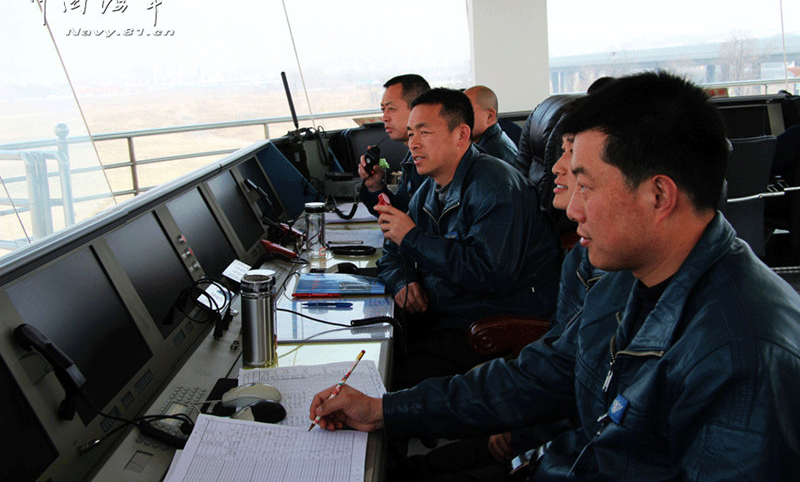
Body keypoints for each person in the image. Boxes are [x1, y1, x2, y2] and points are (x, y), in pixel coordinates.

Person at [310, 72, 800, 480]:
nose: (572, 208)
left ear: (659, 196)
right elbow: (543, 374)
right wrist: (385, 410)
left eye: (585, 184)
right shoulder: (627, 276)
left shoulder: (744, 354)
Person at [374, 87, 560, 390]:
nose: (414, 144)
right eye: (410, 134)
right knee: (379, 350)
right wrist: (401, 282)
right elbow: (392, 253)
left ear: (461, 135)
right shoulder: (428, 189)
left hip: (487, 321)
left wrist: (414, 238)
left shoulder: (495, 186)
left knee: (389, 382)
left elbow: (491, 274)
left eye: (425, 132)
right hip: (447, 310)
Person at [359, 74, 430, 215]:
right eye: (383, 110)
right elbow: (402, 212)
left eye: (391, 109)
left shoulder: (436, 158)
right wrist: (375, 187)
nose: (384, 117)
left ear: (417, 109)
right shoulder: (411, 156)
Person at [464, 85, 518, 165]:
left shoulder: (492, 153)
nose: (462, 119)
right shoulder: (489, 143)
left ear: (490, 116)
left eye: (467, 112)